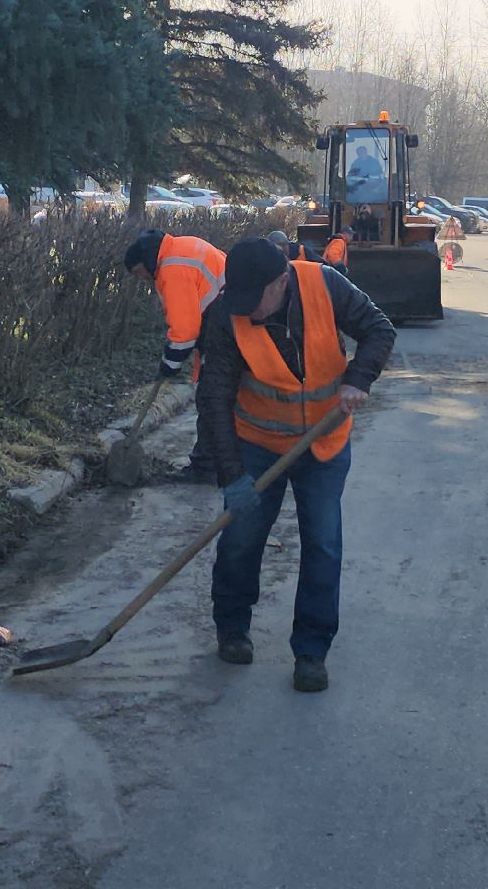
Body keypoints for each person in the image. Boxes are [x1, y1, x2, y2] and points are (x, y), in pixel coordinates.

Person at [195, 237, 396, 693]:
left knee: (323, 545)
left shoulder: (326, 285)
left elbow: (379, 330)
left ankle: (311, 651)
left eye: (255, 299)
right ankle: (231, 627)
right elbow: (213, 397)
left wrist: (357, 379)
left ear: (282, 281)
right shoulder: (227, 315)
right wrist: (232, 475)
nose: (248, 310)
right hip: (258, 442)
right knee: (242, 538)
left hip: (322, 443)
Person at [124, 229, 227, 479]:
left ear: (146, 261)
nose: (142, 279)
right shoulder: (180, 247)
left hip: (223, 326)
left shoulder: (171, 269)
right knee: (221, 395)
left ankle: (206, 467)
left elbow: (184, 329)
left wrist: (169, 364)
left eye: (139, 273)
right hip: (228, 317)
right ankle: (220, 460)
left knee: (211, 397)